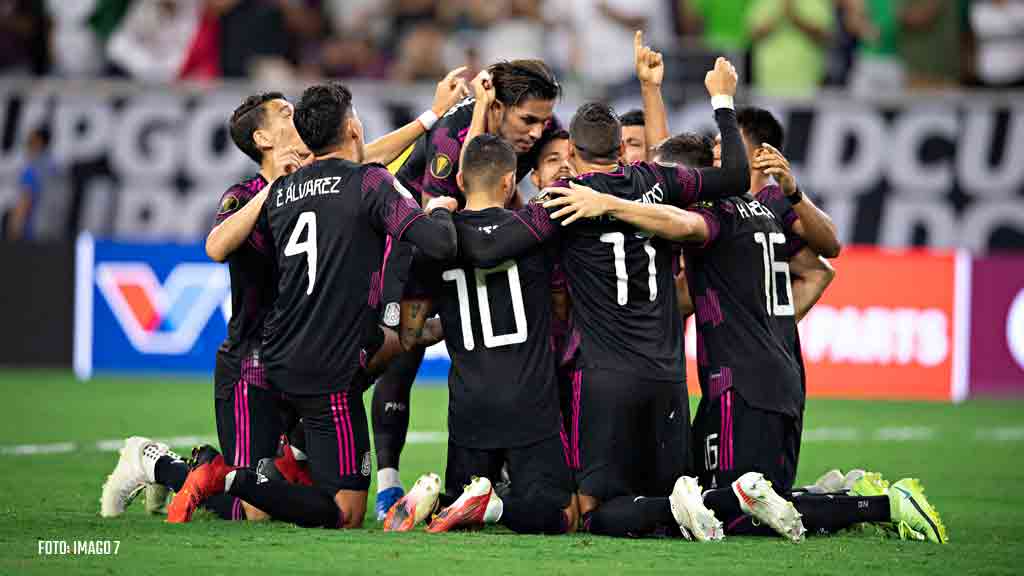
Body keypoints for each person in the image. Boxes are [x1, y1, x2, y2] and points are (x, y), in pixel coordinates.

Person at [98, 69, 470, 522]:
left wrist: (432, 115)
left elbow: (359, 158)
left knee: (383, 351)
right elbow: (216, 246)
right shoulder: (248, 194)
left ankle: (281, 458)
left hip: (300, 347)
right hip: (251, 360)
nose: (293, 112)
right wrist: (275, 192)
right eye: (283, 112)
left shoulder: (316, 177)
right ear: (262, 137)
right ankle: (158, 463)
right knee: (249, 510)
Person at [371, 58, 562, 519]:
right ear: (497, 105)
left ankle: (496, 467)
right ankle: (388, 484)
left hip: (474, 244)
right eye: (528, 120)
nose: (537, 133)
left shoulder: (532, 135)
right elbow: (445, 217)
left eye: (544, 120)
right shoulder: (451, 137)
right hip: (414, 252)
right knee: (402, 352)